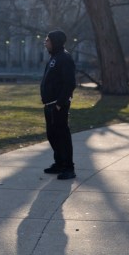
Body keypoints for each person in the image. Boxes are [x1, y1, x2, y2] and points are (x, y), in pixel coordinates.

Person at [40, 30, 77, 180]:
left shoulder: (64, 58)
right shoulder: (54, 57)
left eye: (47, 40)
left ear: (54, 42)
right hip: (49, 104)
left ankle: (68, 167)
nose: (45, 42)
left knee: (62, 136)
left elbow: (70, 83)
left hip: (58, 104)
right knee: (52, 135)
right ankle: (59, 163)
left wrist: (60, 103)